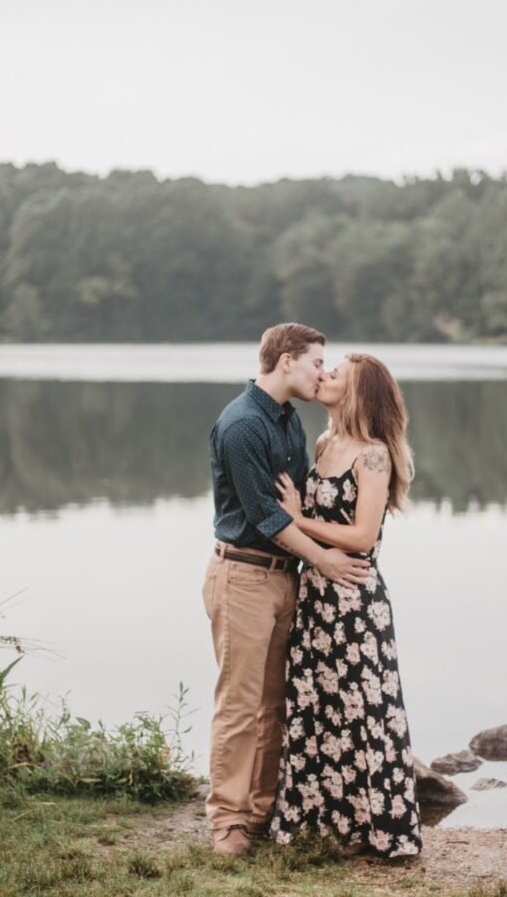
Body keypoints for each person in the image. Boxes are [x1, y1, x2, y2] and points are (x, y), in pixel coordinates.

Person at [204, 323, 373, 858]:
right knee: (239, 703)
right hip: (245, 574)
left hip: (286, 577)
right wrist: (327, 560)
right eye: (316, 362)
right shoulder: (241, 425)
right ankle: (226, 821)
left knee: (275, 703)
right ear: (285, 361)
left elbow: (303, 501)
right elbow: (268, 515)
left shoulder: (288, 422)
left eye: (326, 365)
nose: (322, 373)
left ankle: (261, 809)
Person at [270, 352, 422, 858]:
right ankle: (324, 824)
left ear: (357, 393)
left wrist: (296, 520)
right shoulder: (324, 442)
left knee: (361, 711)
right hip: (315, 597)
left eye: (336, 375)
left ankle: (379, 828)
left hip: (356, 602)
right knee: (317, 707)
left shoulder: (372, 454)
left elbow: (361, 535)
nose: (324, 376)